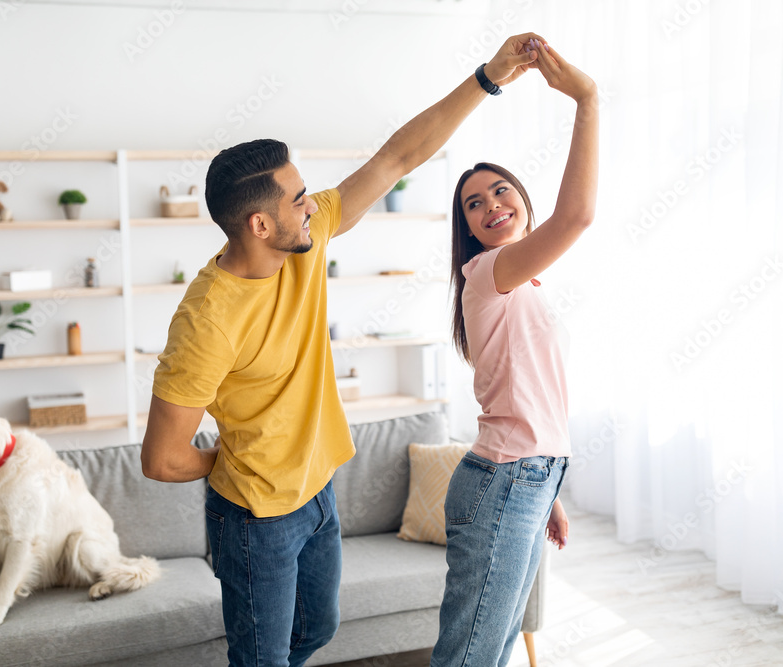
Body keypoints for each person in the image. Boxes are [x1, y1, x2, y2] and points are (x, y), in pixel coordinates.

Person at [141, 32, 545, 667]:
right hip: (255, 519)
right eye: (297, 198)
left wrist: (489, 77)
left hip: (319, 492)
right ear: (260, 225)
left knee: (316, 633)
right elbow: (162, 459)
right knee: (261, 660)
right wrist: (241, 462)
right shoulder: (205, 322)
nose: (313, 204)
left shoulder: (305, 235)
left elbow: (397, 157)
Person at [430, 39, 598, 667]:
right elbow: (577, 215)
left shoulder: (522, 283)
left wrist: (548, 485)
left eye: (501, 193)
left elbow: (522, 393)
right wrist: (586, 99)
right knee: (470, 657)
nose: (491, 206)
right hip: (504, 480)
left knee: (492, 650)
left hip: (526, 477)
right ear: (469, 229)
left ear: (521, 202)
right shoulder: (487, 271)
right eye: (475, 204)